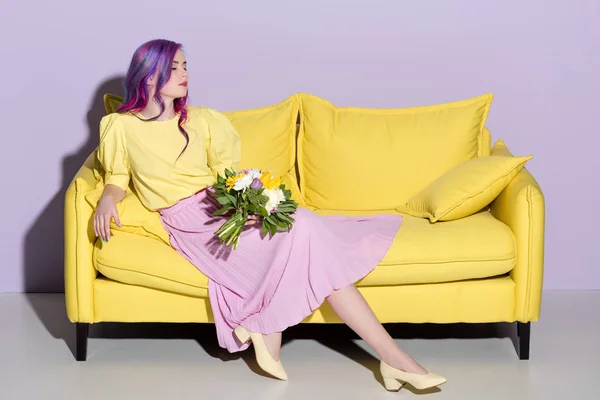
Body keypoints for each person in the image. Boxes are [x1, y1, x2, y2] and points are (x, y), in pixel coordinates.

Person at [93, 39, 446, 391]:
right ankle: (388, 359)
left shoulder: (202, 119)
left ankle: (380, 356)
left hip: (221, 205)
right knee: (311, 234)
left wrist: (245, 204)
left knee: (309, 236)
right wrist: (109, 197)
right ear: (149, 76)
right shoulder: (120, 126)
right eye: (174, 68)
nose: (184, 74)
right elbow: (118, 177)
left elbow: (223, 175)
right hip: (190, 223)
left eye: (186, 66)